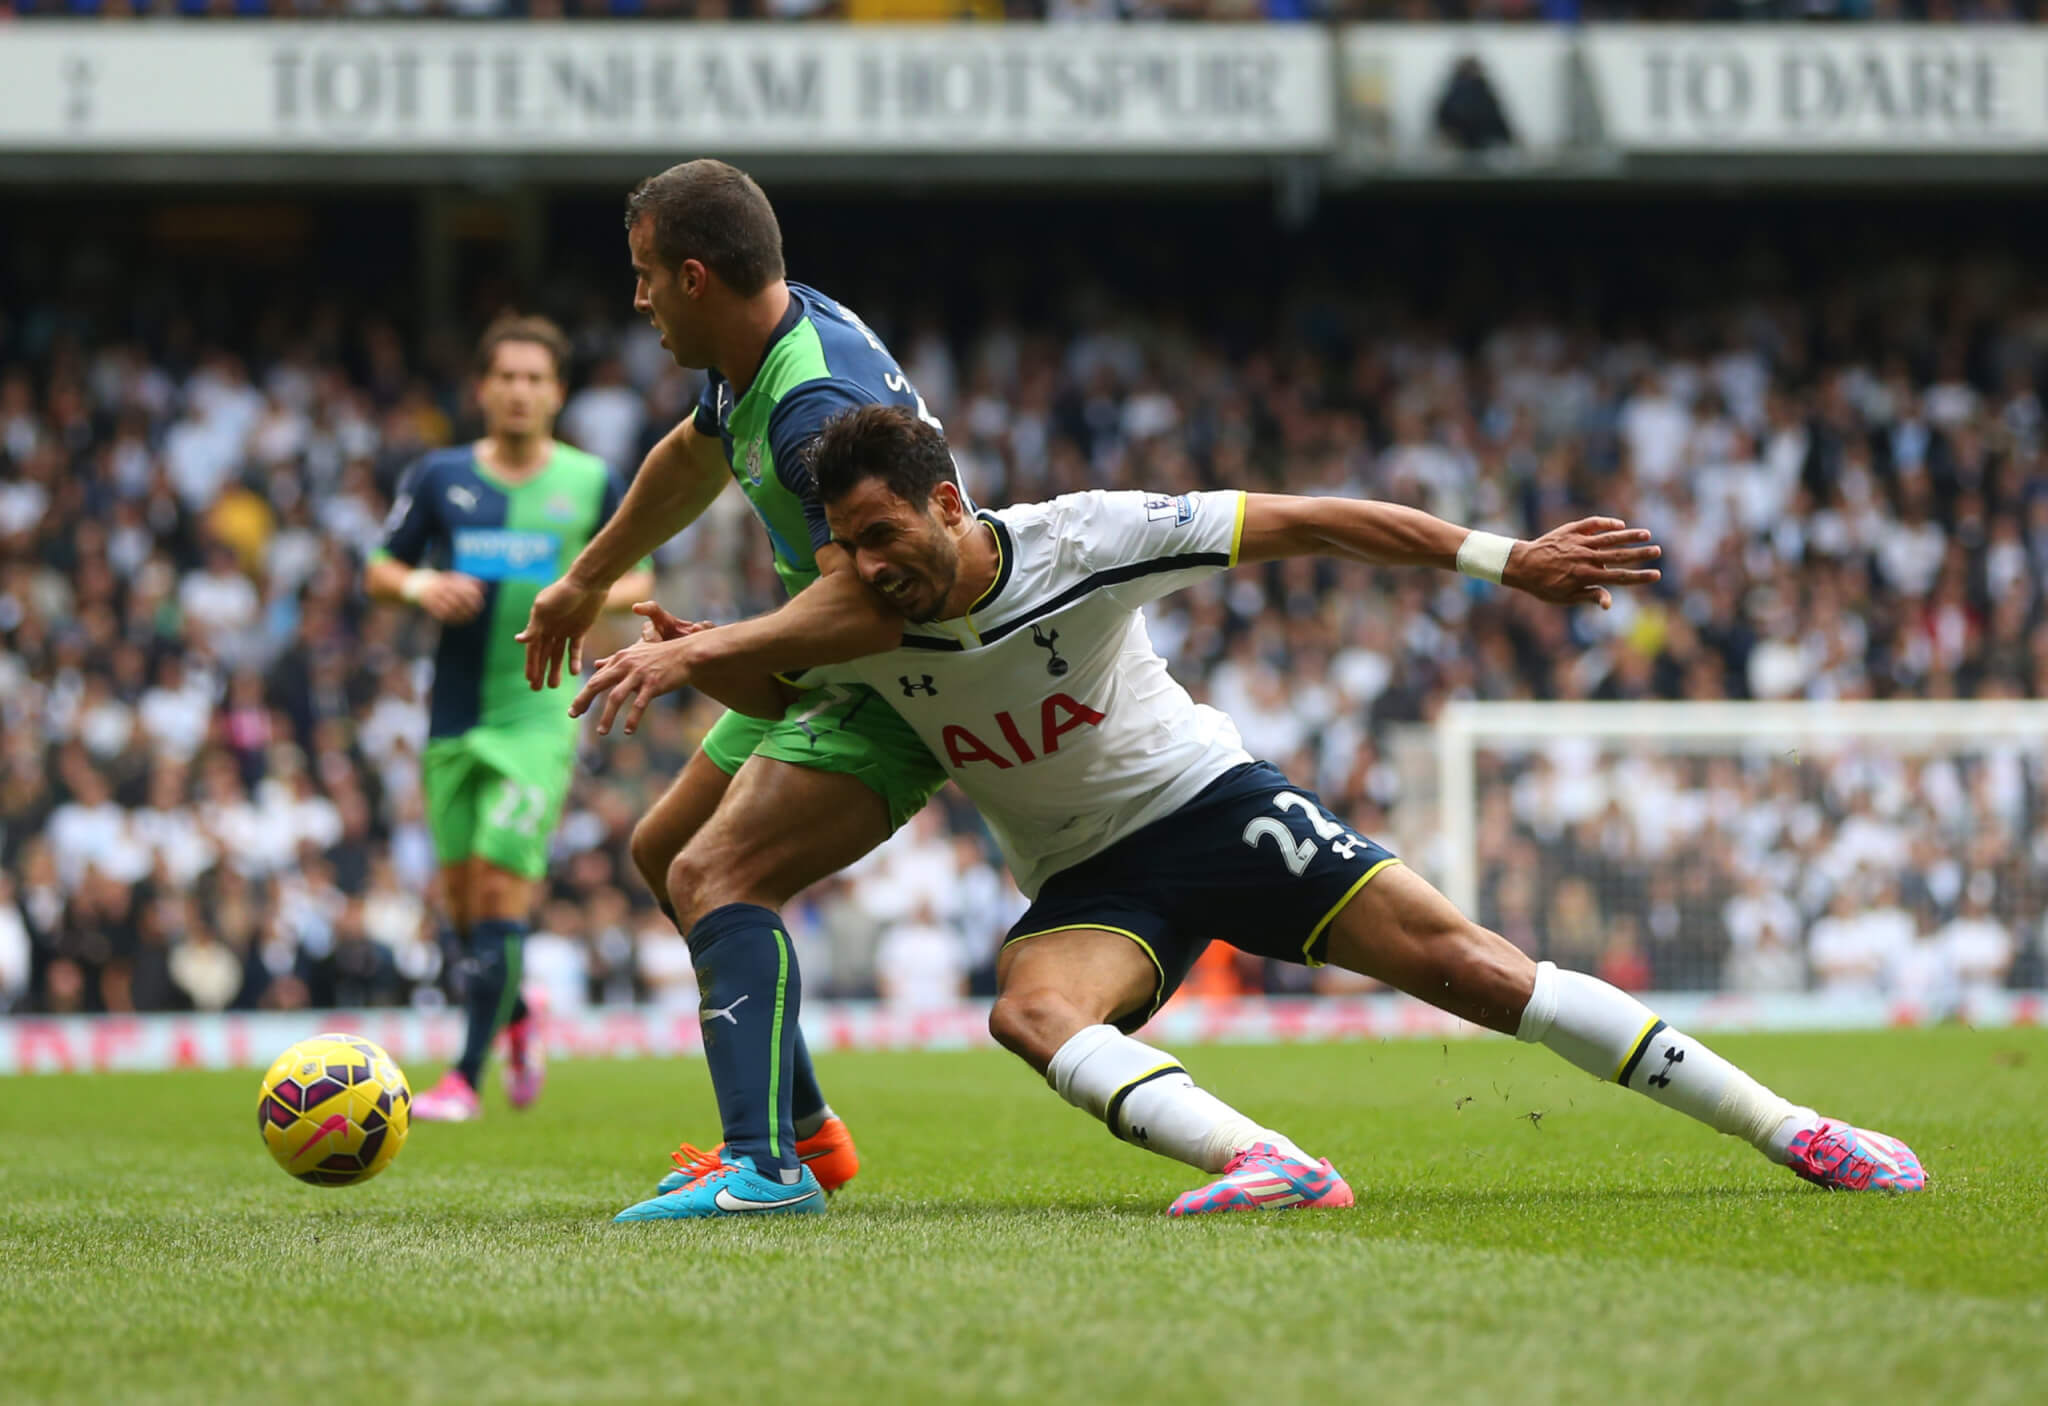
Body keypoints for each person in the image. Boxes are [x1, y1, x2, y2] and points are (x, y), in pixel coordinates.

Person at [600, 405, 1925, 1218]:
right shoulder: (852, 617)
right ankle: (1272, 1161)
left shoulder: (1087, 538)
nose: (871, 563)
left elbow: (1311, 521)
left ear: (952, 502)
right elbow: (774, 673)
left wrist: (1499, 557)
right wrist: (697, 652)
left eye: (889, 531)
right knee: (1028, 1009)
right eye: (848, 545)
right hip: (1089, 875)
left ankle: (1792, 1128)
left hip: (1214, 805)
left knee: (1475, 968)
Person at [516, 160, 952, 1216]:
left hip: (895, 683)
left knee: (717, 871)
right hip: (830, 668)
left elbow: (873, 605)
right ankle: (805, 1129)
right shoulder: (768, 342)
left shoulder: (810, 405)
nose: (638, 300)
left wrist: (697, 655)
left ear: (696, 275)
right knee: (662, 851)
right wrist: (581, 580)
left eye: (645, 276)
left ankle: (764, 1164)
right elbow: (692, 454)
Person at [363, 314, 652, 1121]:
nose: (521, 391)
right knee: (462, 910)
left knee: (499, 881)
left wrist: (580, 589)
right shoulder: (438, 475)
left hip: (536, 713)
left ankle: (463, 1077)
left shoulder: (590, 482)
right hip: (452, 716)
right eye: (507, 377)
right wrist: (421, 587)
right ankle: (519, 1017)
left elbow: (639, 577)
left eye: (536, 378)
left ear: (557, 393)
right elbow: (380, 566)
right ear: (482, 389)